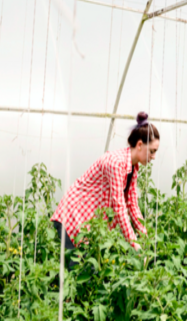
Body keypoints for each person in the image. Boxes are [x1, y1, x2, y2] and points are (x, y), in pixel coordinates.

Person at [51, 112, 159, 266]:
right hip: (73, 219)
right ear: (140, 145)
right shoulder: (115, 163)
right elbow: (119, 207)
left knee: (87, 271)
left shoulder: (132, 168)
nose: (154, 157)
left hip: (87, 226)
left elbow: (132, 205)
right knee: (77, 275)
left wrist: (146, 239)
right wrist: (135, 244)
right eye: (152, 151)